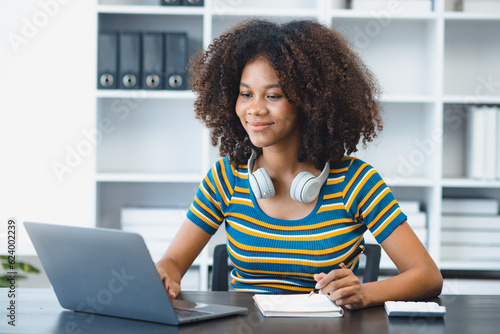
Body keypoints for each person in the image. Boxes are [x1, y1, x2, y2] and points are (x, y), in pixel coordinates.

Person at [155, 19, 443, 310]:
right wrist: (166, 274)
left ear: (310, 101)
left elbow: (427, 276)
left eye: (273, 95)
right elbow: (174, 262)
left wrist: (365, 292)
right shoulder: (226, 177)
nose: (254, 108)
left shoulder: (357, 182)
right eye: (245, 94)